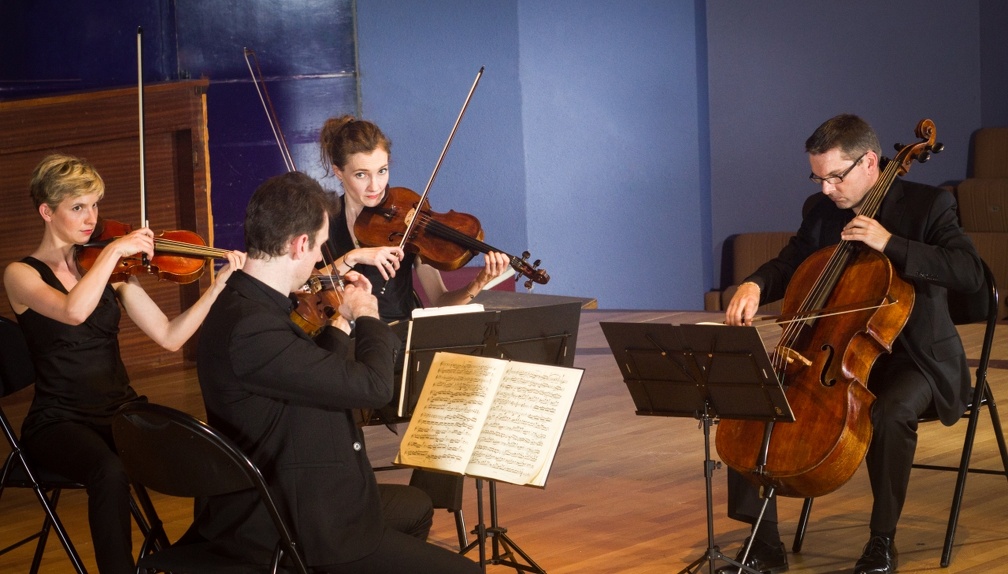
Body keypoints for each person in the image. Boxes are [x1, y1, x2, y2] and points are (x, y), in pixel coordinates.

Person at [717, 114, 983, 574]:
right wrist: (756, 285)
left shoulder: (928, 206)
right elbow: (792, 260)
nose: (825, 189)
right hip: (836, 353)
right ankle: (764, 542)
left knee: (890, 410)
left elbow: (970, 274)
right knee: (754, 395)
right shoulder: (821, 212)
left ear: (870, 162)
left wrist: (892, 244)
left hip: (915, 358)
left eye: (834, 177)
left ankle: (882, 543)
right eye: (817, 177)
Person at [192, 171, 480, 573]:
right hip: (294, 520)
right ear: (299, 244)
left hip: (295, 481)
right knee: (467, 572)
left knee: (414, 506)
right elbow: (374, 386)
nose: (319, 260)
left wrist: (341, 321)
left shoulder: (245, 303)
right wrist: (367, 315)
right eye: (320, 247)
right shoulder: (251, 328)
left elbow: (305, 371)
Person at [2, 153, 245, 574]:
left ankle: (187, 556)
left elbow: (169, 337)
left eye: (95, 205)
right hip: (59, 421)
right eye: (78, 207)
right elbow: (74, 311)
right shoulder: (21, 275)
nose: (91, 219)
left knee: (210, 452)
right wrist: (115, 249)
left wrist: (217, 286)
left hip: (119, 412)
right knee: (109, 472)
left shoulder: (106, 267)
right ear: (47, 211)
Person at [318, 115, 511, 323]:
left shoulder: (409, 217)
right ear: (339, 172)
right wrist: (353, 257)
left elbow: (440, 300)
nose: (375, 186)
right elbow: (308, 285)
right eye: (361, 175)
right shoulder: (323, 221)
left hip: (398, 336)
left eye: (382, 171)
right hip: (342, 335)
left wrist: (479, 282)